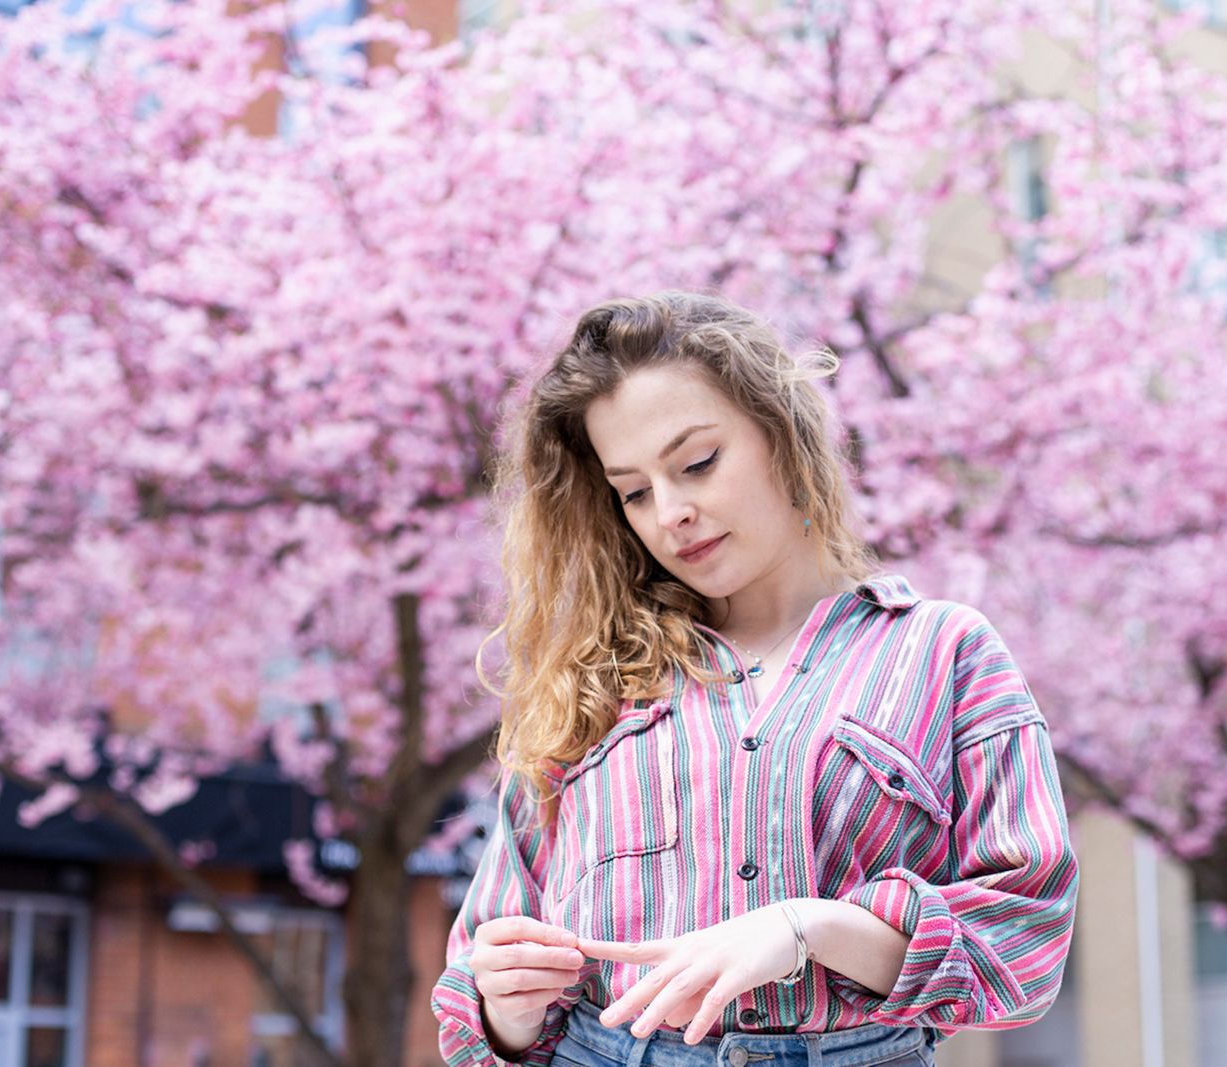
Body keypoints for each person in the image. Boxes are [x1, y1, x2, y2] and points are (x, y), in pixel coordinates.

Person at [431, 291, 1079, 1067]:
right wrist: (503, 1003)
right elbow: (481, 975)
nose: (670, 511)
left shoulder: (944, 652)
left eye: (697, 462)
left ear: (780, 434)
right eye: (634, 491)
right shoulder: (590, 681)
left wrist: (809, 929)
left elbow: (1027, 938)